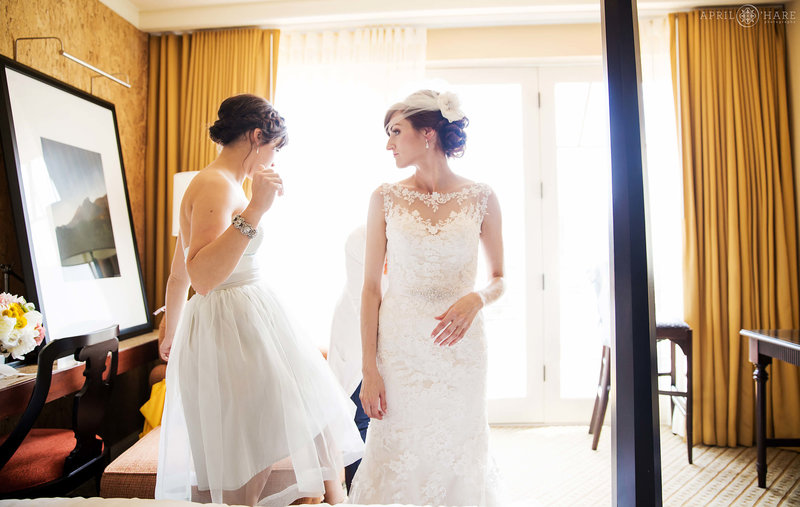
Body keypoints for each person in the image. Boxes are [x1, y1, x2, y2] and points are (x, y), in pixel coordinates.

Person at [155, 94, 364, 506]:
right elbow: (202, 275)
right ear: (255, 136)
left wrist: (170, 327)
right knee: (248, 436)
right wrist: (255, 211)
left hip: (249, 314)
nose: (273, 159)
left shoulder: (227, 182)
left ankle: (331, 497)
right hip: (229, 321)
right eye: (274, 148)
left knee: (311, 410)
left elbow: (179, 271)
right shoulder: (216, 184)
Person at [347, 90, 505, 506]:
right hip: (400, 350)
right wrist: (369, 367)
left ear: (429, 133)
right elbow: (370, 289)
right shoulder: (384, 198)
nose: (388, 143)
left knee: (459, 448)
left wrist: (478, 298)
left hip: (461, 348)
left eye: (396, 131)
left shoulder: (482, 198)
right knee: (398, 449)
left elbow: (501, 279)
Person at [327, 225, 371, 491]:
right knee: (358, 416)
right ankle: (356, 493)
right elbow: (362, 298)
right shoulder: (360, 239)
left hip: (402, 334)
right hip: (356, 334)